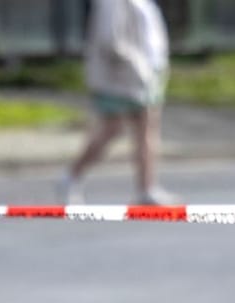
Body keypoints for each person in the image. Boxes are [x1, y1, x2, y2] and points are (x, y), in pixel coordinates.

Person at [59, 0, 172, 207]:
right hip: (120, 78)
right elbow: (110, 40)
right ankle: (72, 176)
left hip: (146, 77)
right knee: (112, 129)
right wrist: (138, 66)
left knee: (147, 130)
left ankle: (146, 188)